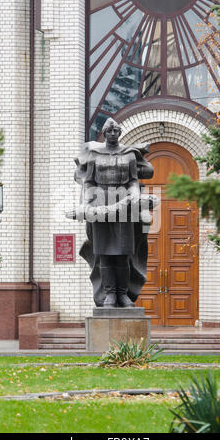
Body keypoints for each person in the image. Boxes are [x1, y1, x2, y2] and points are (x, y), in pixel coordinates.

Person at [71, 117, 155, 308]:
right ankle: (109, 295)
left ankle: (122, 294)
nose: (112, 133)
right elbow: (89, 181)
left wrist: (134, 193)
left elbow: (133, 180)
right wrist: (87, 202)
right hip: (100, 206)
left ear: (119, 132)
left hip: (124, 206)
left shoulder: (129, 155)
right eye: (109, 131)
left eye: (115, 130)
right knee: (105, 253)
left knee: (123, 253)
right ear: (104, 133)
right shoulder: (94, 155)